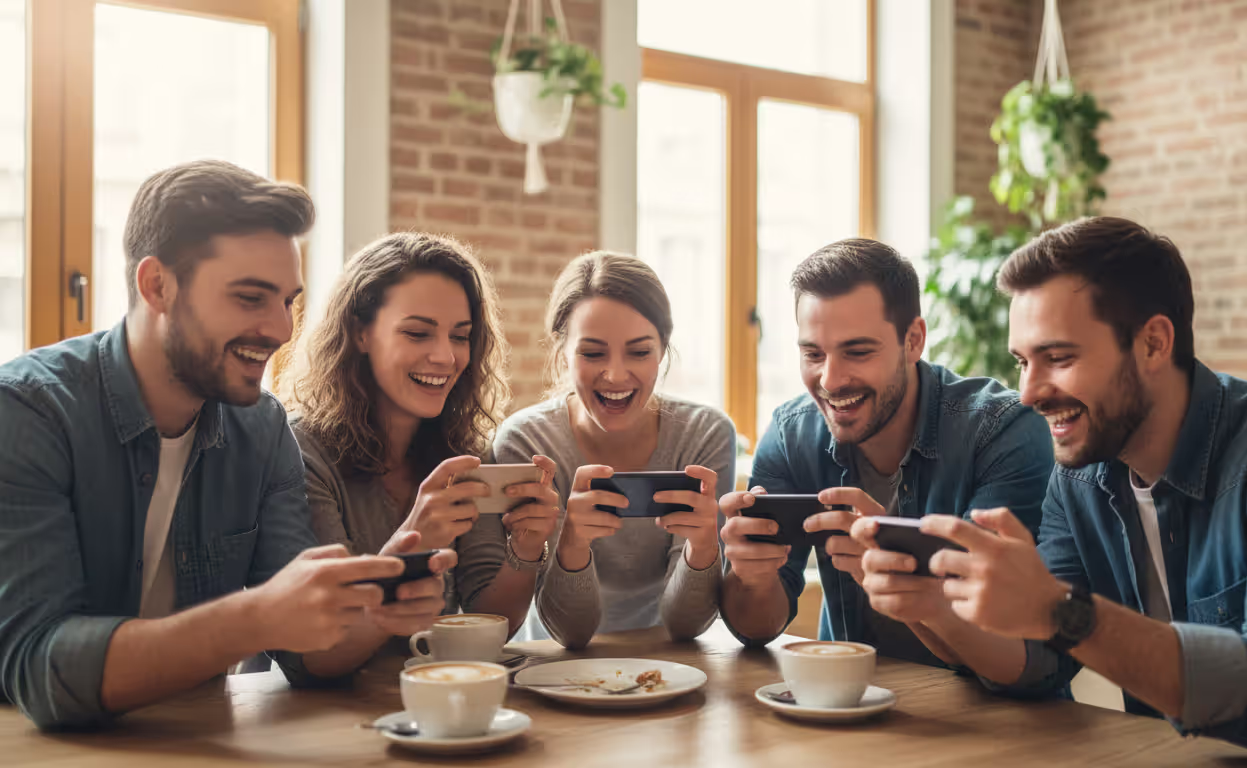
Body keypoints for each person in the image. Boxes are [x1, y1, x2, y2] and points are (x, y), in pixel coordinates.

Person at [855, 217, 1247, 759]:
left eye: (1059, 358)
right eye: (1023, 362)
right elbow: (1042, 662)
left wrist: (1062, 610)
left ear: (1154, 343)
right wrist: (935, 606)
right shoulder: (1080, 476)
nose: (1028, 393)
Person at [0, 160, 453, 729]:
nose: (281, 329)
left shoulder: (262, 430)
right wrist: (253, 619)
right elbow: (41, 668)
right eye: (250, 298)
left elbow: (308, 660)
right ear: (156, 285)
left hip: (198, 742)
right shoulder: (29, 411)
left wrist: (378, 602)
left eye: (287, 301)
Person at [719, 238, 1052, 665]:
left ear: (913, 341)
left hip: (996, 718)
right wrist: (753, 579)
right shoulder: (790, 435)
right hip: (847, 708)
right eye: (813, 354)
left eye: (857, 352)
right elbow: (756, 628)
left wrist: (895, 574)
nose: (831, 380)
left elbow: (1013, 652)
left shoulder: (1001, 431)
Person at [280, 232, 560, 638]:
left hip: (427, 689)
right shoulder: (300, 451)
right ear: (360, 333)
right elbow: (319, 646)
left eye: (460, 336)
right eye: (417, 333)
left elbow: (491, 615)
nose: (446, 356)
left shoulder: (466, 450)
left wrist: (527, 547)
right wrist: (415, 538)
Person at [493, 252, 735, 648]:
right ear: (562, 354)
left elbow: (686, 625)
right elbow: (569, 633)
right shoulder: (527, 442)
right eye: (592, 353)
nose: (616, 375)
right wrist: (572, 542)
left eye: (640, 352)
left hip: (670, 665)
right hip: (556, 668)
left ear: (663, 351)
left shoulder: (704, 434)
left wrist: (705, 547)